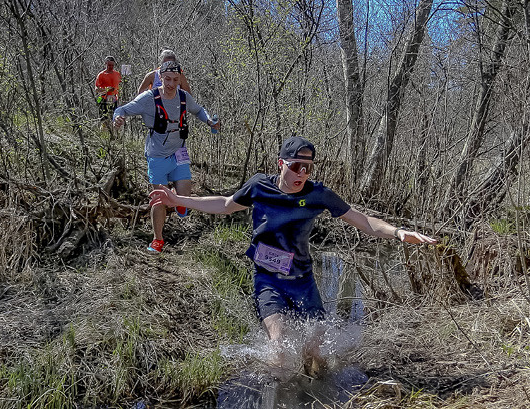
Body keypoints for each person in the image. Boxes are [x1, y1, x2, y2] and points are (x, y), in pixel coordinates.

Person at [148, 136, 438, 374]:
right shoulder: (260, 186)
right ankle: (276, 395)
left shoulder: (317, 194)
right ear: (281, 164)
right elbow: (224, 204)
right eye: (297, 166)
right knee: (279, 346)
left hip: (302, 280)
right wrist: (177, 199)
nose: (302, 174)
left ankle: (317, 389)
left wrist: (398, 232)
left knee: (314, 353)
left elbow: (363, 220)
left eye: (308, 168)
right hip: (268, 279)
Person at [113, 60, 221, 253]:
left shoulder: (183, 97)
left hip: (179, 150)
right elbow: (122, 109)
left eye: (175, 80)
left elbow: (198, 110)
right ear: (160, 77)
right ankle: (157, 240)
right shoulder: (148, 98)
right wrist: (117, 118)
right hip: (157, 156)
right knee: (160, 199)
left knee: (184, 193)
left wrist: (209, 121)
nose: (171, 84)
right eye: (167, 79)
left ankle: (180, 204)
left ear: (180, 80)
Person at [94, 56, 122, 124]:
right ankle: (103, 134)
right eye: (109, 65)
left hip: (114, 99)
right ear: (105, 64)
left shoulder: (117, 74)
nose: (111, 67)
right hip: (103, 99)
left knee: (114, 119)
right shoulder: (101, 75)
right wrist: (106, 90)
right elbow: (96, 89)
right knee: (104, 120)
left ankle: (114, 133)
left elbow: (121, 86)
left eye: (112, 65)